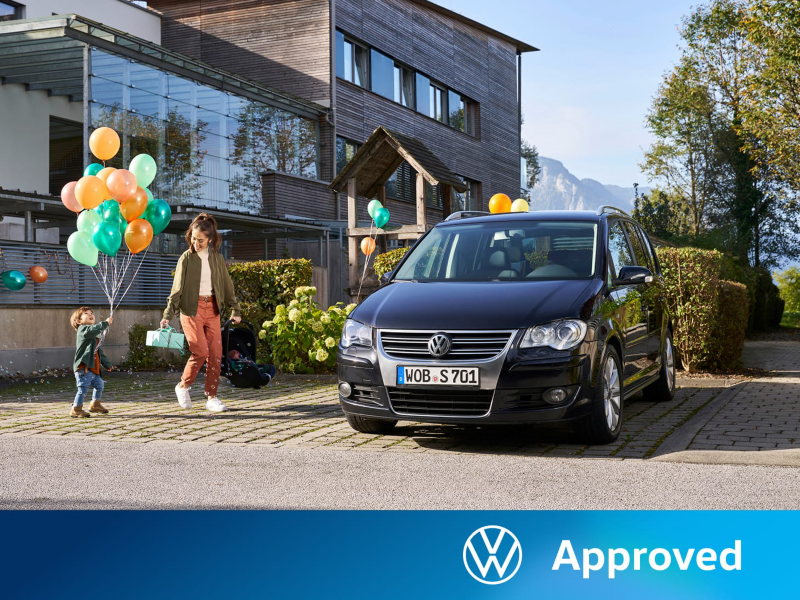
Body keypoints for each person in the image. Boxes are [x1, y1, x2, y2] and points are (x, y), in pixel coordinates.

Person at [160, 213, 242, 412]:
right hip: (191, 309)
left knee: (215, 354)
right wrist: (167, 314)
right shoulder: (187, 258)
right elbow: (176, 289)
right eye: (194, 239)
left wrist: (235, 309)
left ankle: (211, 397)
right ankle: (183, 385)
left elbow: (226, 285)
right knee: (200, 351)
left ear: (211, 239)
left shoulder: (217, 258)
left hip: (212, 308)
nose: (196, 243)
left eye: (201, 240)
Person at [70, 307, 114, 418]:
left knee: (100, 385)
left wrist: (107, 364)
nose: (90, 314)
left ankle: (95, 404)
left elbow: (99, 351)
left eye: (91, 313)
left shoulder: (93, 335)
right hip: (84, 367)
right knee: (83, 389)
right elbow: (93, 330)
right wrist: (105, 323)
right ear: (79, 321)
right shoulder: (83, 330)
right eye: (86, 313)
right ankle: (76, 409)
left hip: (94, 368)